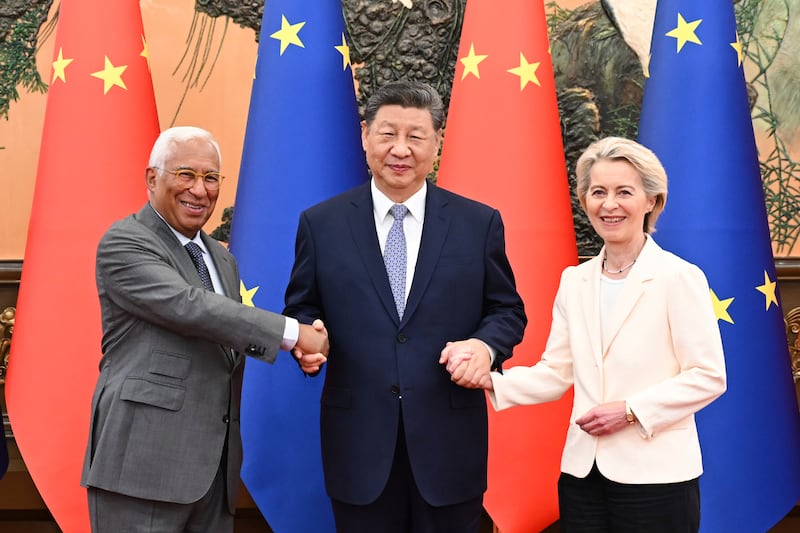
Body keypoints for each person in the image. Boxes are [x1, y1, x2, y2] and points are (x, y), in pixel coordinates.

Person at [443, 136, 727, 532]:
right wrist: (487, 378)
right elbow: (556, 372)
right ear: (584, 201)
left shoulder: (679, 277)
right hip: (581, 475)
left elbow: (708, 376)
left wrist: (630, 410)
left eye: (624, 192)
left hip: (657, 477)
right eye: (598, 192)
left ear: (652, 201)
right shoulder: (574, 281)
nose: (609, 204)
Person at [282, 80, 527, 532]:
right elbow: (302, 307)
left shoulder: (477, 223)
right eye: (387, 134)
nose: (400, 149)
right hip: (358, 448)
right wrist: (308, 340)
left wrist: (484, 347)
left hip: (449, 449)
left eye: (415, 136)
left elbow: (507, 310)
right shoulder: (321, 224)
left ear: (437, 142)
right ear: (364, 136)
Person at [80, 126, 329, 532]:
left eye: (211, 178)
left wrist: (301, 344)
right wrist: (292, 334)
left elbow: (225, 332)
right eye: (186, 174)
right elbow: (190, 307)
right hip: (143, 470)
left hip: (213, 474)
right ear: (152, 178)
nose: (199, 190)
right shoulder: (125, 241)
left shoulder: (220, 258)